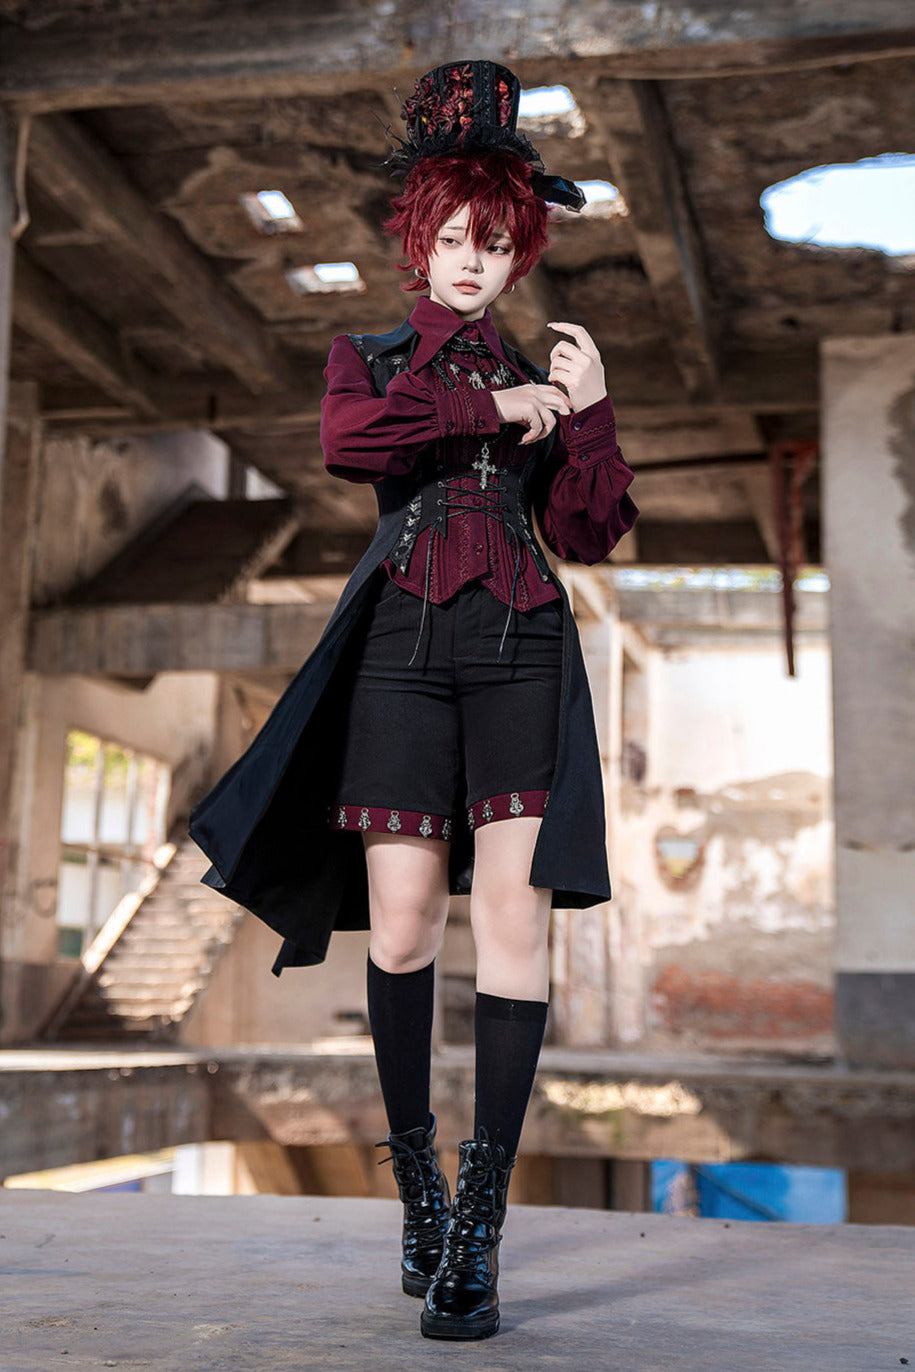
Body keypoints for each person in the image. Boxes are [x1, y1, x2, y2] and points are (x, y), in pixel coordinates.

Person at [188, 58, 638, 1342]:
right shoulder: (373, 358)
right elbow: (353, 443)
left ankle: (481, 1226)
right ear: (421, 238)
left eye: (493, 242)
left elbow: (588, 531)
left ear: (517, 248)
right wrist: (495, 402)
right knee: (397, 928)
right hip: (398, 650)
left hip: (522, 648)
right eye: (452, 238)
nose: (471, 261)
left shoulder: (549, 374)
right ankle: (419, 1193)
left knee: (513, 919)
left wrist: (588, 416)